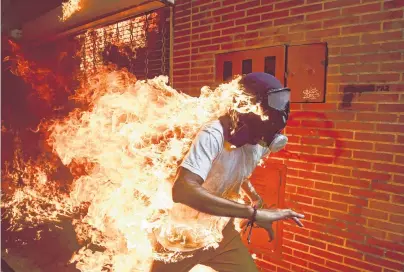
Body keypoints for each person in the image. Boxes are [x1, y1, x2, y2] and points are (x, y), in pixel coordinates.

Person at [150, 72, 304, 272]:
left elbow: (237, 172)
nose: (281, 110)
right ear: (248, 107)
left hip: (221, 233)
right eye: (275, 101)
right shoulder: (213, 134)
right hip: (183, 237)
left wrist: (255, 199)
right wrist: (254, 214)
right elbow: (183, 189)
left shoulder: (260, 142)